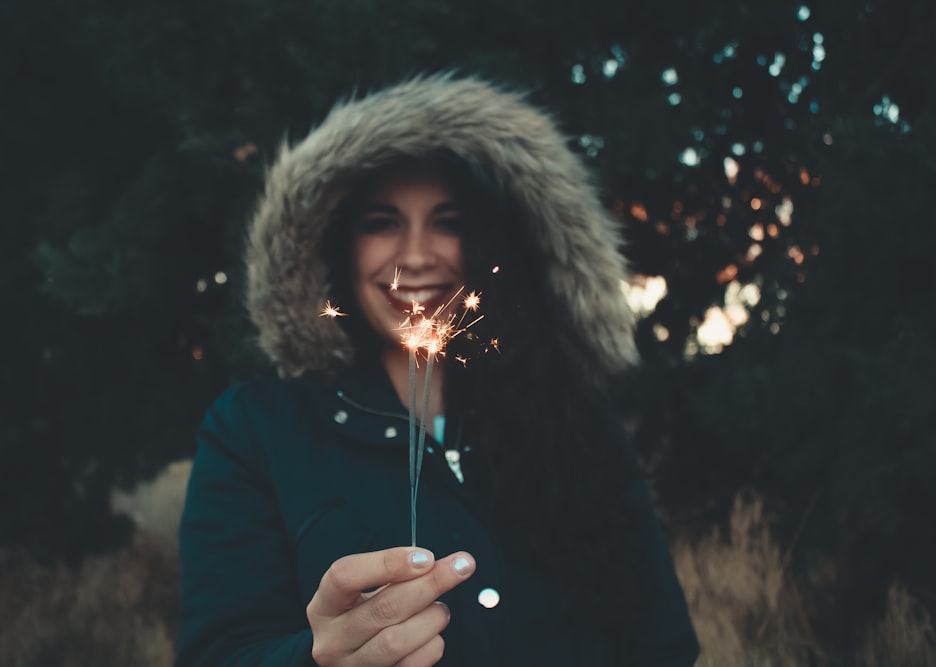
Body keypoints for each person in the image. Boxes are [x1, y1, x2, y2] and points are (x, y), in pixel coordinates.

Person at [176, 75, 699, 666]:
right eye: (382, 222)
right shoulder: (257, 430)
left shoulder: (579, 422)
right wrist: (316, 661)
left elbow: (662, 646)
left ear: (494, 246)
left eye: (448, 221)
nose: (417, 258)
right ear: (336, 246)